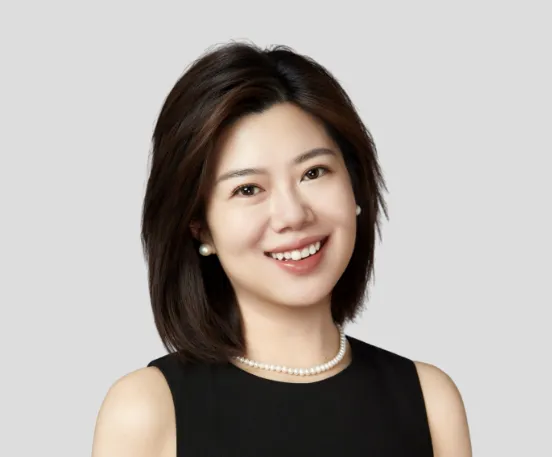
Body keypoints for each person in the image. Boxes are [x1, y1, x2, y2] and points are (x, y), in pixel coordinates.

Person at [92, 42, 472, 456]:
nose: (292, 215)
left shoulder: (429, 400)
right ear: (201, 228)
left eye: (314, 172)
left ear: (354, 186)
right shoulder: (146, 411)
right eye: (248, 189)